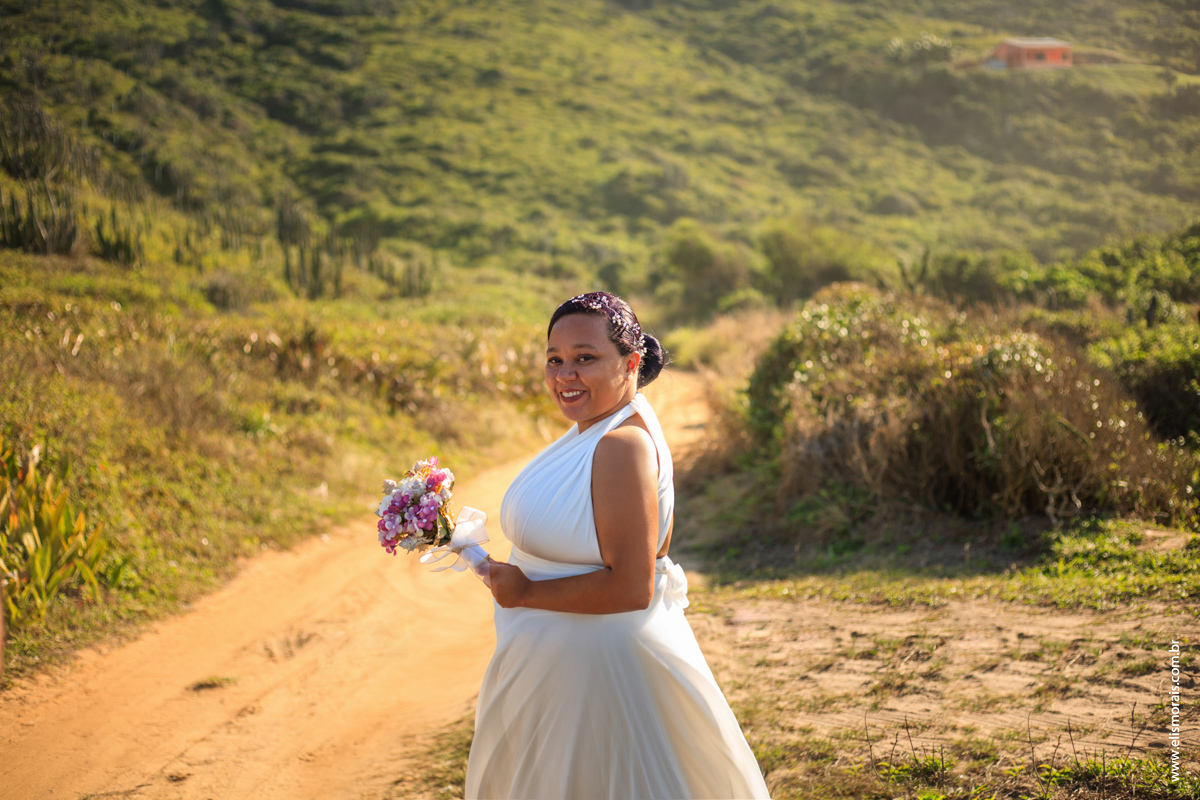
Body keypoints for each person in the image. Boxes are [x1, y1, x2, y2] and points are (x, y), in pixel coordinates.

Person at [465, 292, 771, 800]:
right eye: (555, 360)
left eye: (585, 358)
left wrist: (524, 593)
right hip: (564, 676)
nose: (566, 375)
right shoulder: (597, 431)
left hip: (600, 680)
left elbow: (631, 586)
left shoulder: (619, 445)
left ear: (631, 362)